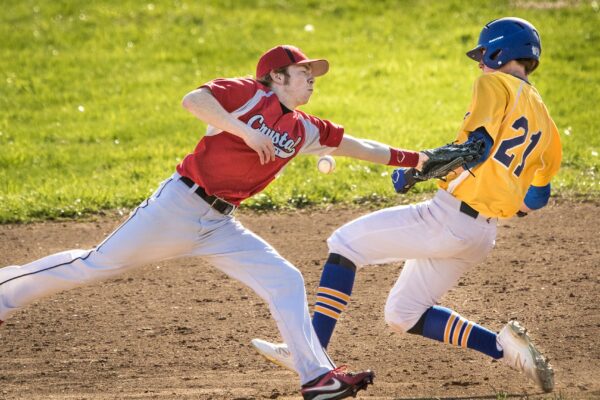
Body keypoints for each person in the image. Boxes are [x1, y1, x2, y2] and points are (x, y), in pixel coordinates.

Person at [0, 45, 429, 399]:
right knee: (94, 265)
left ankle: (316, 378)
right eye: (304, 71)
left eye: (313, 72)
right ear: (277, 76)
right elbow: (194, 100)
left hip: (221, 225)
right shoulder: (247, 94)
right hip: (178, 207)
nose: (312, 78)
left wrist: (416, 158)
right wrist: (243, 130)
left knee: (285, 278)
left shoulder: (304, 129)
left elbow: (360, 146)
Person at [252, 18, 562, 394]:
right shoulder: (546, 120)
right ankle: (505, 349)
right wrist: (502, 195)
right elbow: (536, 199)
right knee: (403, 314)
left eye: (483, 54)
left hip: (446, 219)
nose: (480, 63)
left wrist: (419, 170)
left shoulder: (493, 83)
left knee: (345, 244)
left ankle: (310, 355)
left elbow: (475, 147)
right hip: (481, 235)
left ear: (501, 51)